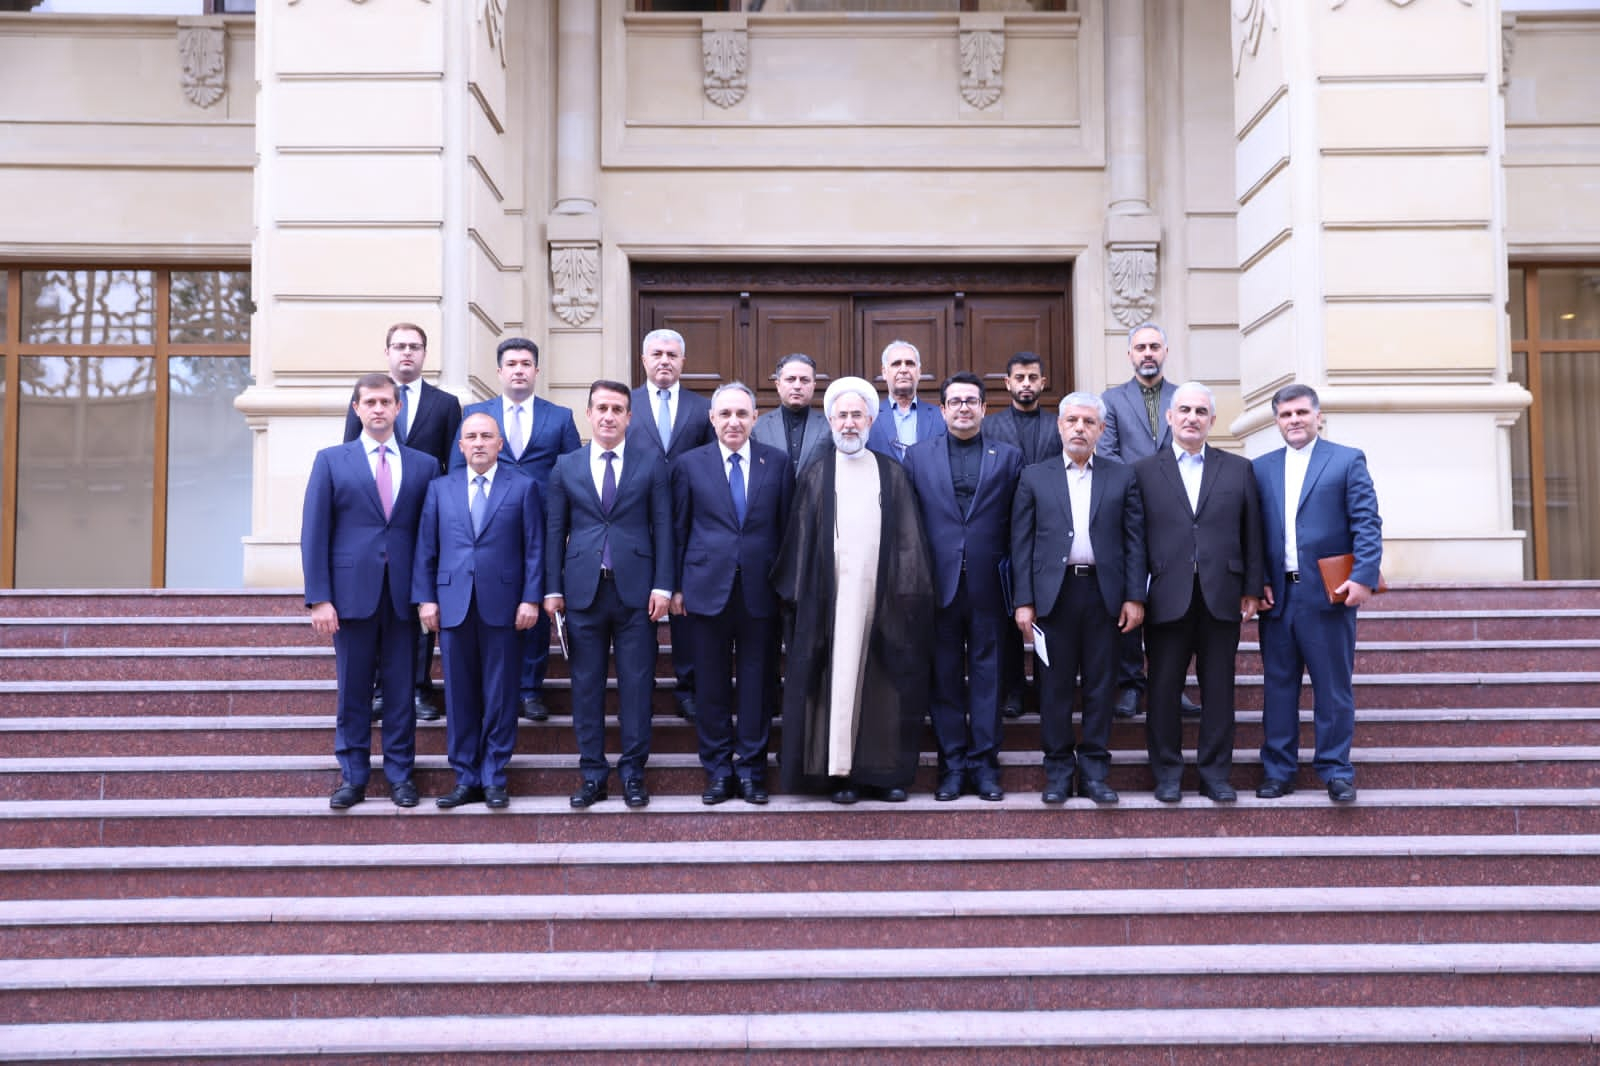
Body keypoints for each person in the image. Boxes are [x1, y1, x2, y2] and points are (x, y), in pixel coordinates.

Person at [773, 376, 935, 804]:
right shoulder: (816, 473)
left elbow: (909, 539)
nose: (849, 423)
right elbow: (801, 541)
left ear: (870, 421)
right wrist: (804, 599)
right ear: (830, 421)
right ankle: (840, 774)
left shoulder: (891, 472)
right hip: (830, 600)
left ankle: (881, 774)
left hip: (883, 598)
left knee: (884, 686)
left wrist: (905, 592)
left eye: (856, 415)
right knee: (838, 684)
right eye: (841, 415)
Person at [303, 373, 436, 810]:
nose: (378, 409)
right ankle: (353, 777)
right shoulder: (330, 461)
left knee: (401, 692)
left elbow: (430, 536)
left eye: (385, 402)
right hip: (349, 596)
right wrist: (319, 598)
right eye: (370, 402)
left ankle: (400, 776)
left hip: (404, 597)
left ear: (399, 408)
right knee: (353, 691)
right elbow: (314, 532)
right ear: (356, 409)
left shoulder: (424, 465)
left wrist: (428, 594)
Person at [1132, 381, 1264, 804]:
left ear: (1212, 420)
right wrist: (1135, 595)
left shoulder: (1238, 469)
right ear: (1170, 417)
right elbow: (1134, 540)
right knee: (1163, 691)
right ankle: (1167, 775)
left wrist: (1251, 588)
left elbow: (1252, 533)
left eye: (1201, 412)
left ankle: (1215, 776)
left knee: (1219, 692)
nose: (1192, 418)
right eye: (1185, 410)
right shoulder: (1143, 471)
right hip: (1165, 598)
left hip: (1221, 596)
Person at [1011, 392, 1146, 805]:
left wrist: (1134, 596)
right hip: (1053, 597)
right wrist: (1023, 600)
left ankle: (1094, 773)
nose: (1079, 428)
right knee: (1053, 688)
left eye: (1088, 422)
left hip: (1105, 595)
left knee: (1100, 688)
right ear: (1060, 426)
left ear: (1101, 430)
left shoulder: (1121, 476)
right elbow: (1021, 543)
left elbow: (1134, 542)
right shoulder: (1035, 476)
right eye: (1072, 421)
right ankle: (1057, 773)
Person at [544, 381, 673, 810]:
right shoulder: (565, 466)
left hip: (637, 593)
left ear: (629, 417)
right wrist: (552, 588)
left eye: (617, 409)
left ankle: (633, 773)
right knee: (586, 687)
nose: (608, 416)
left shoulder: (650, 463)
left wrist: (663, 585)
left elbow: (664, 528)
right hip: (583, 592)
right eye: (601, 408)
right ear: (588, 413)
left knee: (636, 686)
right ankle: (593, 775)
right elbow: (554, 531)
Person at [1252, 384, 1383, 803]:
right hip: (1278, 598)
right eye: (1285, 414)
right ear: (1276, 421)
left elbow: (1367, 522)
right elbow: (1251, 534)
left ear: (1318, 416)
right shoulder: (1260, 468)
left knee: (1332, 688)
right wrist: (1257, 583)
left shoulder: (1346, 460)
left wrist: (1363, 577)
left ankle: (1336, 771)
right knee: (1278, 688)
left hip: (1328, 594)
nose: (1294, 420)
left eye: (1301, 413)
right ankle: (1278, 771)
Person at [671, 382, 795, 806]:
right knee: (711, 688)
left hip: (761, 593)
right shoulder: (690, 465)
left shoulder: (777, 464)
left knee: (758, 687)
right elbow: (679, 529)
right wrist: (676, 586)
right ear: (712, 418)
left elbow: (787, 532)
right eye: (725, 414)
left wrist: (786, 588)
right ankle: (719, 772)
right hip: (706, 591)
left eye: (742, 414)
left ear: (755, 418)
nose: (733, 422)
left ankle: (752, 771)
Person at [903, 372, 1023, 801]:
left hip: (991, 585)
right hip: (937, 586)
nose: (963, 408)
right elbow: (908, 527)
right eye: (955, 402)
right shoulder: (917, 457)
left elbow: (1019, 526)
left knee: (989, 679)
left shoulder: (1008, 457)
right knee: (945, 679)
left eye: (971, 401)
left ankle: (985, 765)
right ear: (942, 410)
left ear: (984, 408)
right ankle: (952, 766)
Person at [413, 413, 544, 810]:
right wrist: (426, 599)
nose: (479, 442)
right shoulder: (440, 488)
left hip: (504, 605)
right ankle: (466, 777)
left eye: (487, 436)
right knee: (459, 695)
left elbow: (534, 548)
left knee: (501, 694)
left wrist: (531, 598)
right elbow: (426, 548)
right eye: (471, 436)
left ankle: (494, 776)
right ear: (460, 446)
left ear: (500, 444)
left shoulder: (523, 487)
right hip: (453, 605)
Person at [452, 337, 581, 723]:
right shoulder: (476, 414)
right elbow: (457, 471)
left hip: (543, 524)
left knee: (536, 602)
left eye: (526, 364)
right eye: (512, 364)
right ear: (499, 371)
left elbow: (573, 473)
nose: (519, 370)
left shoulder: (560, 417)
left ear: (536, 371)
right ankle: (494, 687)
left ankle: (529, 689)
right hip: (487, 525)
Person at [342, 322, 462, 722]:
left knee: (419, 607)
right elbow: (350, 456)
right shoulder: (366, 399)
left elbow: (452, 466)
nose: (406, 352)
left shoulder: (445, 404)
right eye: (399, 346)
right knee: (376, 608)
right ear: (388, 352)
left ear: (425, 353)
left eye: (414, 346)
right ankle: (380, 691)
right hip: (375, 523)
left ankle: (420, 690)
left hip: (421, 522)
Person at [1097, 322, 1197, 720]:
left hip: (1176, 513)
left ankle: (1172, 685)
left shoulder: (1184, 398)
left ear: (1166, 351)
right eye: (1141, 347)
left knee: (1174, 602)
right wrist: (1142, 486)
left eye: (1155, 346)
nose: (1148, 353)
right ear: (1130, 355)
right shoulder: (1112, 399)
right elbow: (1107, 453)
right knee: (1130, 596)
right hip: (1128, 511)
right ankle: (1130, 684)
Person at [627, 328, 713, 722]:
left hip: (688, 521)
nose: (665, 360)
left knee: (684, 606)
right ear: (644, 360)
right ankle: (639, 689)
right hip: (636, 521)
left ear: (683, 362)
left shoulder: (702, 408)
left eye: (672, 355)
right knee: (637, 609)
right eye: (657, 354)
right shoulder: (626, 404)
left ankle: (688, 686)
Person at [981, 350, 1062, 719]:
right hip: (1003, 531)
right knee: (1007, 615)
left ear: (1043, 382)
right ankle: (1013, 688)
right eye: (1019, 378)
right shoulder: (989, 427)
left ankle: (1047, 687)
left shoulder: (1058, 425)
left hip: (1051, 532)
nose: (1026, 384)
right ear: (1007, 383)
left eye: (1032, 378)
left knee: (1048, 613)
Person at [751, 352, 830, 475]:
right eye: (790, 379)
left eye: (804, 380)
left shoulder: (829, 426)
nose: (797, 386)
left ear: (814, 386)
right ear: (778, 385)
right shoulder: (758, 427)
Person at [866, 340, 944, 461]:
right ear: (884, 372)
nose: (903, 370)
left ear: (919, 372)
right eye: (896, 364)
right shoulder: (870, 417)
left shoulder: (940, 416)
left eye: (910, 364)